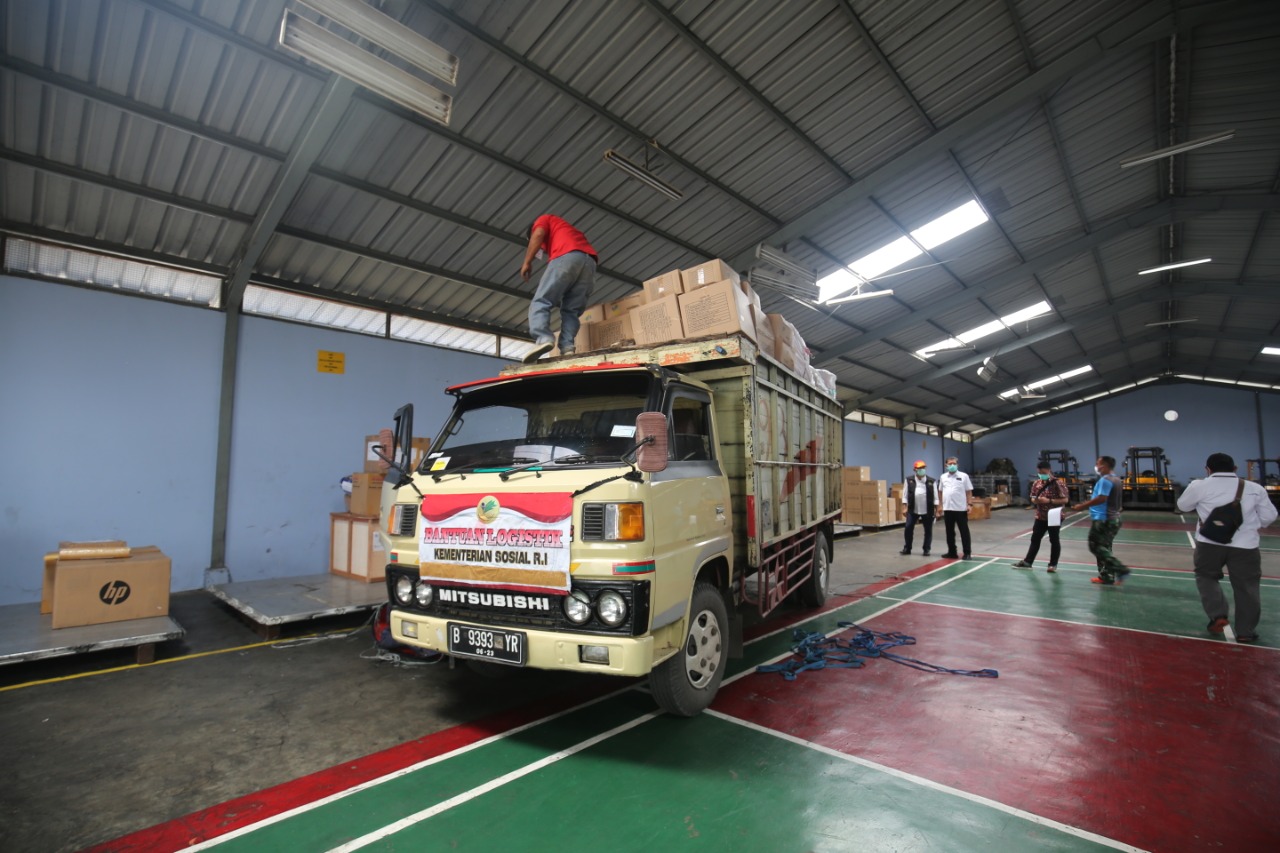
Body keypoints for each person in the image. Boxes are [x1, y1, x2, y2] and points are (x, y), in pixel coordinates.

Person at [1176, 452, 1277, 643]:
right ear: (1235, 469)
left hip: (1209, 543)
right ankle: (1246, 631)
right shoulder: (1254, 488)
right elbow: (1268, 517)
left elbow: (1183, 506)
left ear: (1208, 469)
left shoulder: (1200, 485)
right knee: (1247, 586)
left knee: (1206, 576)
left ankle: (1218, 615)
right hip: (1246, 546)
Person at [519, 215, 598, 363]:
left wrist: (527, 262)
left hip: (567, 256)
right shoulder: (565, 230)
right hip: (590, 263)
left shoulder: (543, 219)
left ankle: (543, 338)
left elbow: (538, 234)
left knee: (541, 300)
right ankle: (567, 347)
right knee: (571, 310)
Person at [1071, 455, 1129, 585]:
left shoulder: (1106, 480)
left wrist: (1082, 506)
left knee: (1095, 546)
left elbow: (1102, 498)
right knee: (1105, 548)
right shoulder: (1117, 479)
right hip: (1114, 518)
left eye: (1098, 463)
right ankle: (1107, 576)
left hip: (1103, 519)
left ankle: (1120, 569)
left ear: (1105, 465)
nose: (1096, 466)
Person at [1012, 460, 1070, 572]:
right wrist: (1036, 501)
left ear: (1049, 470)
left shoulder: (1058, 483)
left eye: (1043, 472)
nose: (1041, 474)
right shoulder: (1036, 483)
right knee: (1035, 539)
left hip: (1054, 515)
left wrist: (1049, 500)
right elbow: (1033, 497)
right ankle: (1028, 562)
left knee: (1054, 540)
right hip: (1040, 516)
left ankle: (1053, 565)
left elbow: (1065, 499)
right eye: (1039, 472)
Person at [936, 457, 973, 559]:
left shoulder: (964, 476)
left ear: (957, 465)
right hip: (948, 508)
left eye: (954, 463)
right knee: (949, 532)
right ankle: (952, 552)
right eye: (950, 463)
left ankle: (967, 553)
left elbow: (968, 491)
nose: (952, 465)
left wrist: (969, 504)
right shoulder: (943, 477)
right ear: (946, 465)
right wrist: (940, 505)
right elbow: (940, 492)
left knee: (964, 531)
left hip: (960, 508)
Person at [900, 460, 935, 556]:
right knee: (908, 528)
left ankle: (926, 549)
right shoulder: (909, 480)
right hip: (912, 509)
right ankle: (907, 548)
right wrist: (904, 507)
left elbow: (935, 497)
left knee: (928, 530)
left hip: (927, 510)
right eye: (919, 468)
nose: (922, 470)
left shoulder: (931, 481)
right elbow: (905, 495)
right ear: (914, 469)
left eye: (923, 468)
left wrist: (936, 509)